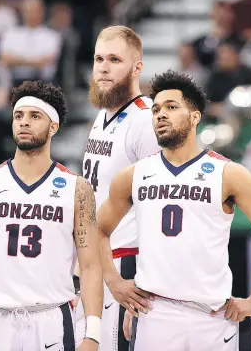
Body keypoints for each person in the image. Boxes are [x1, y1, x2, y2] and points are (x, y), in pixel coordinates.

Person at [97, 70, 251, 350]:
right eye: (156, 110)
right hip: (155, 313)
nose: (160, 115)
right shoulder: (132, 175)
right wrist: (114, 282)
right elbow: (98, 229)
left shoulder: (228, 173)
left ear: (195, 117)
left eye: (171, 107)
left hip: (212, 316)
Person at [0, 80, 103, 351]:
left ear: (53, 126)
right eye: (18, 116)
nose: (24, 122)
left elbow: (90, 265)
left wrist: (93, 333)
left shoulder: (77, 189)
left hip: (51, 318)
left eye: (34, 116)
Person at [75, 25, 160, 351]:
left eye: (114, 59)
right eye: (99, 59)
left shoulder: (144, 120)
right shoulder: (103, 114)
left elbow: (157, 205)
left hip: (126, 266)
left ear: (137, 67)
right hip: (96, 262)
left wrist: (141, 283)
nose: (104, 68)